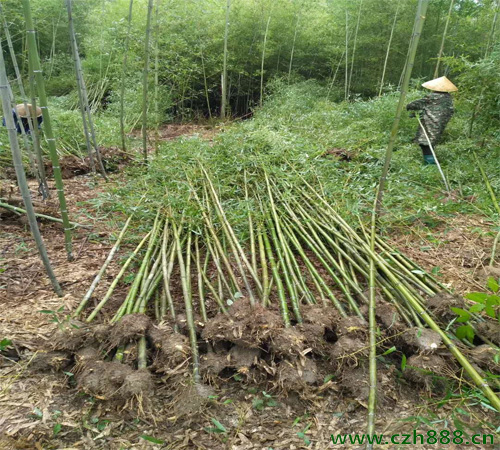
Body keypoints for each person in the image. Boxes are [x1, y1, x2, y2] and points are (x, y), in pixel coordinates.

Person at [406, 76, 457, 165]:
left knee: (425, 142)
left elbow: (415, 104)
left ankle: (430, 163)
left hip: (430, 122)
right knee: (431, 141)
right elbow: (436, 109)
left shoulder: (432, 97)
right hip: (441, 123)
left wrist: (408, 106)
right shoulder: (448, 98)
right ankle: (430, 161)